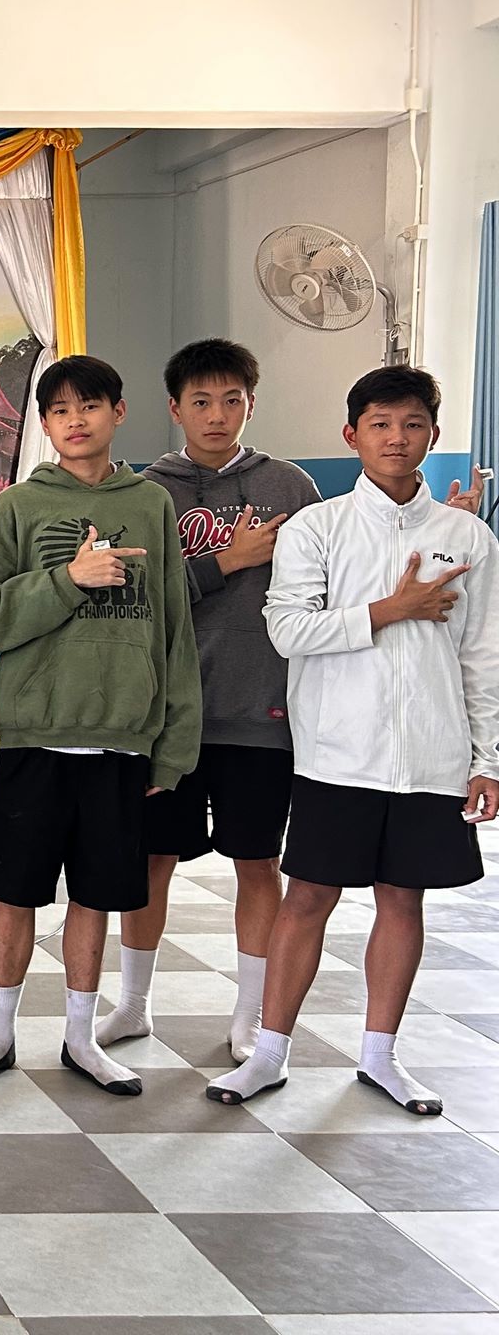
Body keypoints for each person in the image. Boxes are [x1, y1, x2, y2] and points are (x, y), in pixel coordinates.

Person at [208, 367, 498, 1115]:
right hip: (338, 755)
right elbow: (288, 629)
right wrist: (389, 609)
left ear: (433, 434)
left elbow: (482, 656)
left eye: (411, 424)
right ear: (352, 435)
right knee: (308, 897)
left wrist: (486, 760)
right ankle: (267, 1053)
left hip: (432, 757)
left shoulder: (467, 537)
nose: (396, 438)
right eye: (380, 424)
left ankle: (380, 1058)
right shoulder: (318, 527)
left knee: (404, 902)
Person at [0, 354, 200, 1096]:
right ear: (44, 424)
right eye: (59, 410)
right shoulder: (19, 506)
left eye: (89, 406)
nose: (75, 421)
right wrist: (67, 579)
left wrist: (171, 748)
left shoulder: (151, 504)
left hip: (122, 743)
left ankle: (81, 1038)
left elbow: (174, 632)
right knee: (16, 894)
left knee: (96, 895)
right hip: (35, 738)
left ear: (119, 412)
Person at [82, 340, 322, 1065]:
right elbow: (133, 592)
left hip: (261, 711)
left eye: (232, 401)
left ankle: (251, 1016)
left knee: (257, 862)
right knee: (151, 859)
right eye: (201, 402)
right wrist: (229, 561)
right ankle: (132, 1005)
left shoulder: (290, 487)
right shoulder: (145, 491)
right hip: (166, 716)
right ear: (174, 408)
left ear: (251, 404)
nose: (217, 415)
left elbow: (325, 591)